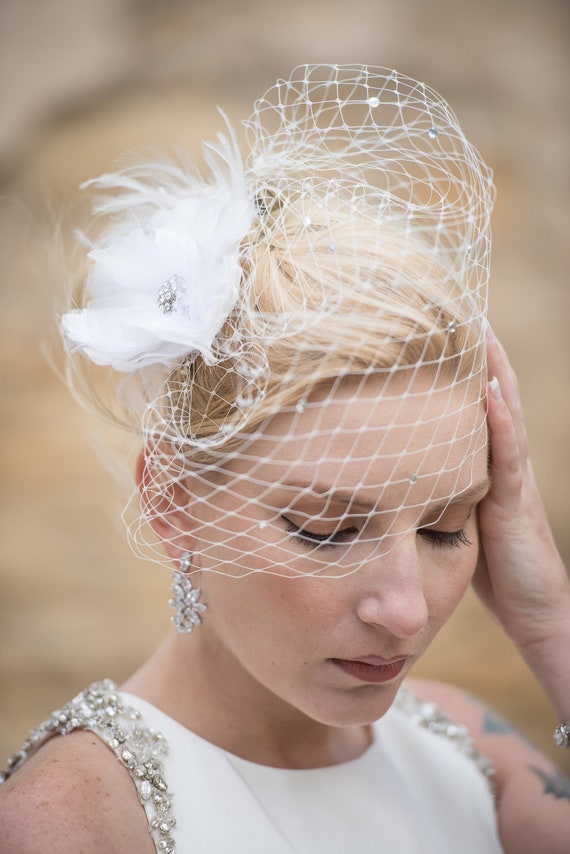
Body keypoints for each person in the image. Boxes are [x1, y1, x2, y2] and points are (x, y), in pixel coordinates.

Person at [0, 64, 568, 853]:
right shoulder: (73, 821)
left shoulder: (473, 755)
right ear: (170, 500)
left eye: (445, 528)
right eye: (327, 528)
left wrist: (550, 625)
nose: (406, 611)